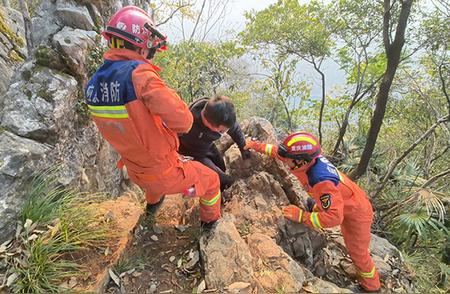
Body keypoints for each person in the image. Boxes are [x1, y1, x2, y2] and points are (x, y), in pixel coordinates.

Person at [84, 6, 221, 227]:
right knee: (212, 180)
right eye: (152, 48)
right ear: (141, 45)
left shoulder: (93, 84)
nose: (152, 53)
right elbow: (183, 122)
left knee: (153, 186)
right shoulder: (140, 75)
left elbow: (132, 123)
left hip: (134, 168)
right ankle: (210, 224)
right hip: (161, 171)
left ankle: (150, 212)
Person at [245, 131, 381, 292]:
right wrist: (254, 145)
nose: (284, 160)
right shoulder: (302, 159)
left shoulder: (321, 180)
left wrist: (302, 216)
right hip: (341, 200)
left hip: (356, 213)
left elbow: (334, 219)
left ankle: (372, 286)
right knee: (321, 208)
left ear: (301, 162)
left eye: (288, 158)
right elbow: (277, 152)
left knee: (357, 251)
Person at [178, 96, 250, 191]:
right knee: (220, 178)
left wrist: (245, 152)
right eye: (222, 131)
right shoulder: (187, 126)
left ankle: (221, 189)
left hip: (207, 145)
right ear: (208, 124)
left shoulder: (218, 113)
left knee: (221, 166)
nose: (225, 132)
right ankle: (215, 194)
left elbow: (235, 130)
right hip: (191, 154)